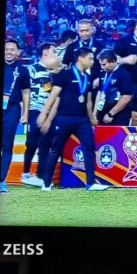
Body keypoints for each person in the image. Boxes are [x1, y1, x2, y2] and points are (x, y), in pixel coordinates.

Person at [36, 48, 109, 191]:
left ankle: (90, 183)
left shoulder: (87, 78)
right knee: (56, 150)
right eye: (90, 58)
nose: (92, 61)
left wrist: (91, 118)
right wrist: (43, 114)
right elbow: (53, 96)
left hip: (82, 120)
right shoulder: (65, 75)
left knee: (89, 148)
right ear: (80, 58)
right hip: (64, 118)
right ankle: (46, 183)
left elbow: (88, 101)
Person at [21, 43, 60, 188]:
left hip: (50, 111)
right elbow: (25, 92)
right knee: (31, 143)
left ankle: (41, 175)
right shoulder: (30, 69)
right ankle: (25, 172)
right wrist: (25, 112)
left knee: (45, 144)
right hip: (35, 109)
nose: (56, 54)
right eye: (54, 52)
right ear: (45, 52)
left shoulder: (56, 72)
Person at [1, 39, 31, 193]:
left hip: (12, 110)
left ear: (18, 53)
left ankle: (1, 181)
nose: (9, 52)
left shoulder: (23, 71)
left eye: (12, 49)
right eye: (6, 49)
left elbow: (26, 93)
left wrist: (25, 113)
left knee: (7, 145)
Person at [94, 49, 134, 126]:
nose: (102, 67)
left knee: (117, 138)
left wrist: (110, 114)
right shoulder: (103, 73)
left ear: (112, 61)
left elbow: (127, 97)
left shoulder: (124, 74)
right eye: (101, 64)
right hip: (102, 113)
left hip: (118, 115)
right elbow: (100, 93)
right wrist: (95, 114)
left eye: (104, 64)